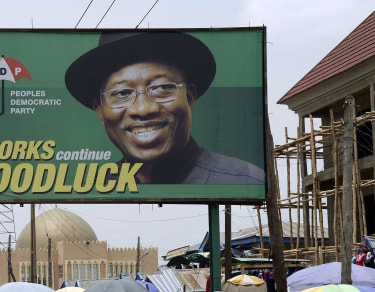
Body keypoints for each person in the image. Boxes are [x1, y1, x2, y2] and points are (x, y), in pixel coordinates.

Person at [64, 31, 265, 185]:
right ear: (99, 109)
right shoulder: (94, 185)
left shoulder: (244, 180)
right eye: (122, 93)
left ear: (189, 97)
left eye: (162, 88)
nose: (143, 109)